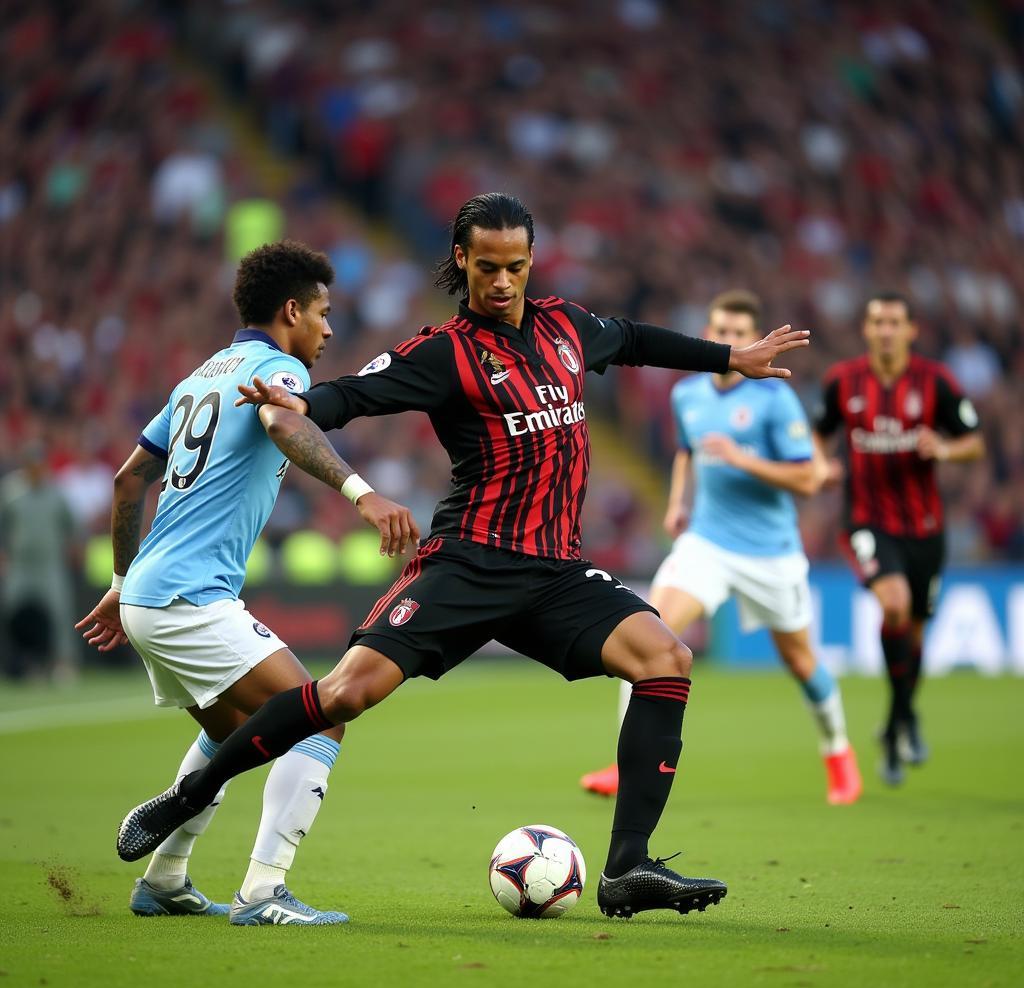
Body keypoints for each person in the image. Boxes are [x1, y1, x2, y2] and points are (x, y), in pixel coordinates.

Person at [117, 193, 810, 920]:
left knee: (665, 657)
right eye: (488, 267)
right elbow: (356, 393)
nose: (503, 281)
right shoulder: (443, 351)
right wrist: (301, 406)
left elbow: (635, 339)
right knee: (346, 694)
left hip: (553, 574)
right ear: (462, 261)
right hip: (466, 564)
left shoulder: (570, 329)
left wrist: (733, 356)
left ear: (531, 261)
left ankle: (627, 866)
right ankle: (186, 799)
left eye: (515, 266)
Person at [76, 240, 418, 925]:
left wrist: (121, 579)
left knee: (230, 735)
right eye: (322, 312)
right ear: (291, 310)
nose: (328, 328)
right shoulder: (276, 369)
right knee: (324, 712)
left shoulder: (197, 377)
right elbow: (284, 419)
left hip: (150, 594)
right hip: (187, 597)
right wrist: (362, 493)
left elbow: (127, 481)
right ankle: (263, 890)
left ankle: (165, 878)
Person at [581, 291, 862, 805]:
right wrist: (676, 501)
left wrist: (742, 459)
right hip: (706, 543)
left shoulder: (775, 398)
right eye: (720, 331)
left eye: (738, 332)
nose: (728, 340)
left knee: (800, 661)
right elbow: (689, 451)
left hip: (770, 552)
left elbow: (806, 479)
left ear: (753, 339)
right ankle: (628, 765)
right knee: (644, 633)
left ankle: (838, 752)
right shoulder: (688, 394)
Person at [813, 292, 984, 784]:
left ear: (911, 330)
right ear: (866, 330)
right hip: (866, 520)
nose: (885, 330)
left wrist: (946, 449)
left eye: (894, 322)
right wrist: (822, 462)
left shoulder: (936, 383)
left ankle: (897, 722)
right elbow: (819, 431)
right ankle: (900, 723)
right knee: (894, 605)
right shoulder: (843, 381)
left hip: (926, 529)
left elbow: (974, 442)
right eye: (876, 321)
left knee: (915, 633)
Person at [0, 441, 78, 683]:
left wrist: (73, 549)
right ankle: (17, 664)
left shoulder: (56, 492)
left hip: (49, 563)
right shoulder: (11, 490)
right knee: (11, 611)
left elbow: (71, 526)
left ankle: (64, 664)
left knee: (59, 613)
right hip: (20, 564)